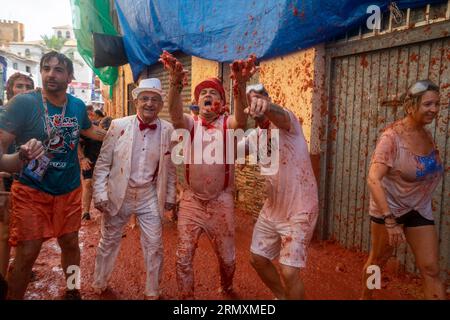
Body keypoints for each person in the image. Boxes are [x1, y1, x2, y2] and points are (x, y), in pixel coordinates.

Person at [0, 51, 106, 300]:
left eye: (58, 70)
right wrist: (20, 157)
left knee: (70, 243)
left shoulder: (78, 105)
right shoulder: (23, 103)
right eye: (46, 68)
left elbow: (90, 131)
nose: (50, 74)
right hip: (31, 190)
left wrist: (124, 129)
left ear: (70, 76)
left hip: (68, 189)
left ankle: (72, 289)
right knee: (27, 252)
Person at [160, 51, 255, 299]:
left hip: (221, 201)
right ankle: (187, 299)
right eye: (203, 93)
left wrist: (240, 86)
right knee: (183, 257)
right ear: (197, 101)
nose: (208, 95)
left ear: (222, 102)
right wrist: (175, 83)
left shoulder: (227, 123)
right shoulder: (191, 123)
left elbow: (242, 120)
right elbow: (174, 114)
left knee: (228, 260)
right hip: (191, 200)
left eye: (213, 92)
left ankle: (226, 286)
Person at [92, 78, 176, 300]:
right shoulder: (118, 126)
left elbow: (171, 167)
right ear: (136, 101)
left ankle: (152, 291)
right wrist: (100, 193)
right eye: (145, 98)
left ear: (161, 104)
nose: (149, 103)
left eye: (154, 99)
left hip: (149, 195)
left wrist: (169, 195)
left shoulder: (168, 130)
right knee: (108, 240)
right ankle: (100, 282)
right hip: (120, 193)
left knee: (155, 244)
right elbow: (103, 163)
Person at [361, 79, 445, 300]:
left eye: (437, 104)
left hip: (418, 208)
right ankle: (366, 297)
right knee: (378, 261)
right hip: (389, 209)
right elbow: (373, 179)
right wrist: (389, 220)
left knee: (431, 269)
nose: (434, 109)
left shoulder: (427, 135)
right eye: (428, 104)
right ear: (411, 105)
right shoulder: (392, 137)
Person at [237, 83, 318, 300]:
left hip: (299, 208)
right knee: (257, 259)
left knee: (289, 271)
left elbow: (280, 115)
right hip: (273, 207)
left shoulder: (288, 124)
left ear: (268, 98)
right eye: (251, 99)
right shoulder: (254, 136)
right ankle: (283, 297)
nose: (256, 101)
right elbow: (229, 150)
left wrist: (268, 107)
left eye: (261, 97)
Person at [0, 73, 35, 280]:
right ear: (9, 90)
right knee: (4, 234)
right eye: (18, 86)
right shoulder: (3, 115)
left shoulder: (33, 116)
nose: (23, 90)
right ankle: (3, 279)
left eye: (27, 86)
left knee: (24, 231)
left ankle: (20, 269)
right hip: (5, 179)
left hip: (27, 181)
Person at [78, 106, 108, 221]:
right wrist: (82, 158)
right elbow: (76, 143)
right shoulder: (90, 130)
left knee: (107, 186)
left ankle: (106, 214)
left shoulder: (113, 132)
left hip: (105, 162)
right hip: (90, 160)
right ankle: (85, 211)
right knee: (87, 183)